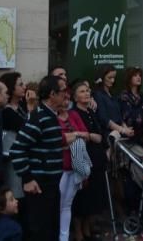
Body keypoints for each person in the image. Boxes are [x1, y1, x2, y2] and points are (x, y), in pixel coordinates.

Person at [8, 75, 67, 241]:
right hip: (40, 185)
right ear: (52, 94)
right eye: (63, 91)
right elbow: (18, 149)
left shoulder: (50, 115)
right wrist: (27, 179)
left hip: (51, 183)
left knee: (50, 230)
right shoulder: (39, 117)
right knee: (41, 231)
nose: (66, 95)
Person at [71, 80, 109, 241]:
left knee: (94, 196)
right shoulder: (74, 113)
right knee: (82, 197)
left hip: (97, 158)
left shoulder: (91, 112)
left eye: (88, 91)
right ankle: (78, 231)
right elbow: (81, 135)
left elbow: (99, 135)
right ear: (75, 97)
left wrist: (94, 137)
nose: (86, 93)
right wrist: (91, 136)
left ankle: (87, 228)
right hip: (83, 159)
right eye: (82, 91)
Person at [57, 90, 92, 241]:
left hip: (74, 166)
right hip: (60, 167)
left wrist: (74, 137)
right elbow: (58, 139)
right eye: (63, 99)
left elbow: (86, 135)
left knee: (67, 205)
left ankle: (63, 237)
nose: (66, 102)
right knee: (58, 204)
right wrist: (76, 136)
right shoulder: (52, 117)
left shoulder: (73, 115)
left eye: (68, 99)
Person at [0, 72, 27, 210]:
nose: (24, 87)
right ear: (11, 88)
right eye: (20, 85)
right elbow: (26, 128)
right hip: (12, 158)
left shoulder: (21, 106)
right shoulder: (6, 111)